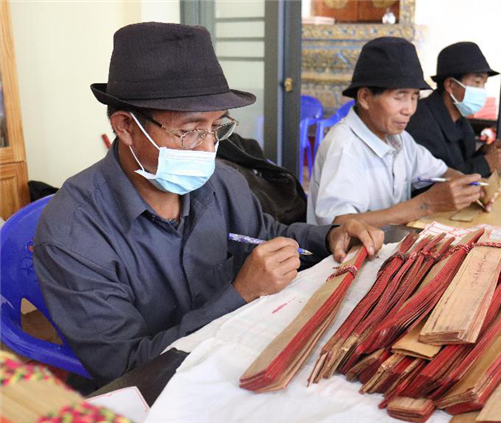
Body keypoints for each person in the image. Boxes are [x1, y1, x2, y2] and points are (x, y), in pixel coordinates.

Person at [33, 22, 383, 386]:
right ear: (125, 127)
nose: (207, 148)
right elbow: (125, 368)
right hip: (150, 393)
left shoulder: (220, 182)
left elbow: (267, 235)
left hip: (232, 356)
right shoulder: (71, 232)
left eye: (216, 127)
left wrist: (329, 237)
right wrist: (241, 293)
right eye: (189, 131)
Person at [307, 37, 486, 227]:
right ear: (365, 97)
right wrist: (426, 204)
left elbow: (441, 171)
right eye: (400, 97)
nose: (409, 109)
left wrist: (470, 187)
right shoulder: (344, 147)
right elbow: (340, 225)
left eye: (414, 97)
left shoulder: (400, 139)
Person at [407, 41, 501, 177]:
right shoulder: (421, 124)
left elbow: (463, 164)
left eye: (484, 84)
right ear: (450, 85)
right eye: (477, 82)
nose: (482, 90)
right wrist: (487, 163)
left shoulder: (461, 123)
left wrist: (486, 152)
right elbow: (433, 180)